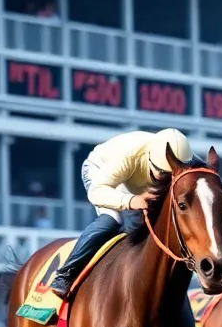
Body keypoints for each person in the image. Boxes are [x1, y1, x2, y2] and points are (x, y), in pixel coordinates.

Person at [48, 128, 194, 300]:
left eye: (173, 176)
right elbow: (97, 193)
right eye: (164, 174)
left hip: (138, 181)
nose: (168, 181)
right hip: (103, 174)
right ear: (150, 160)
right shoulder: (128, 156)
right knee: (112, 221)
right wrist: (132, 201)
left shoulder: (186, 159)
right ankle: (66, 274)